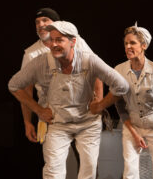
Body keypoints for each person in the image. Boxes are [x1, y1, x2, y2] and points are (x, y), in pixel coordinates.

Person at [8, 21, 129, 179]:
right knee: (53, 171)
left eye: (59, 40)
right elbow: (14, 85)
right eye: (51, 40)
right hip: (57, 123)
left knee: (89, 170)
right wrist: (38, 110)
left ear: (73, 42)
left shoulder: (88, 60)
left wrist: (100, 105)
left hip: (87, 124)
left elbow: (122, 85)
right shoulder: (41, 62)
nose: (53, 44)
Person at [90, 23, 153, 179]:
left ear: (144, 45)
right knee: (130, 170)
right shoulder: (119, 70)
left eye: (132, 43)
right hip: (132, 124)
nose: (128, 46)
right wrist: (133, 132)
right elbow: (119, 103)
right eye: (126, 43)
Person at [20, 7, 103, 144]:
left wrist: (97, 104)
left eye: (45, 20)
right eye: (37, 22)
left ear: (57, 24)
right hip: (52, 117)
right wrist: (27, 122)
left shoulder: (76, 42)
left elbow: (96, 71)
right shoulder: (31, 54)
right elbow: (25, 91)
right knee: (54, 162)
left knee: (87, 161)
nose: (40, 24)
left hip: (81, 112)